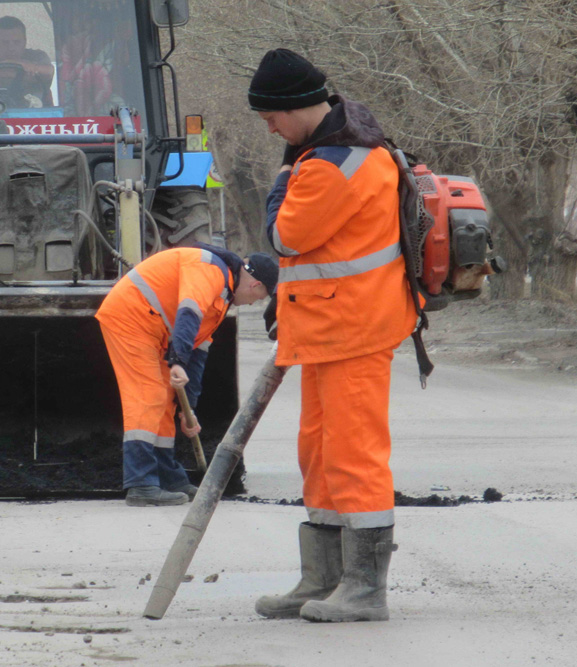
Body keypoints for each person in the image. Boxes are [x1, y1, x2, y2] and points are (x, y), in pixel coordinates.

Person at [248, 49, 417, 623]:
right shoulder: (331, 153)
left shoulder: (334, 165)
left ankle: (365, 589)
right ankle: (322, 579)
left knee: (354, 456)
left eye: (271, 117)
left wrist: (281, 183)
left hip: (353, 329)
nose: (270, 129)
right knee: (319, 455)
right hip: (327, 328)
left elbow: (284, 237)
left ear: (296, 106)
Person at [96, 246, 277, 507]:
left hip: (153, 328)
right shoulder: (210, 270)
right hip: (131, 318)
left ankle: (169, 478)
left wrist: (187, 410)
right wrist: (178, 362)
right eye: (260, 297)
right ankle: (141, 485)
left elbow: (198, 352)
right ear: (255, 285)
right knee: (148, 395)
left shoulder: (222, 298)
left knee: (165, 399)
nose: (254, 303)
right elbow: (188, 313)